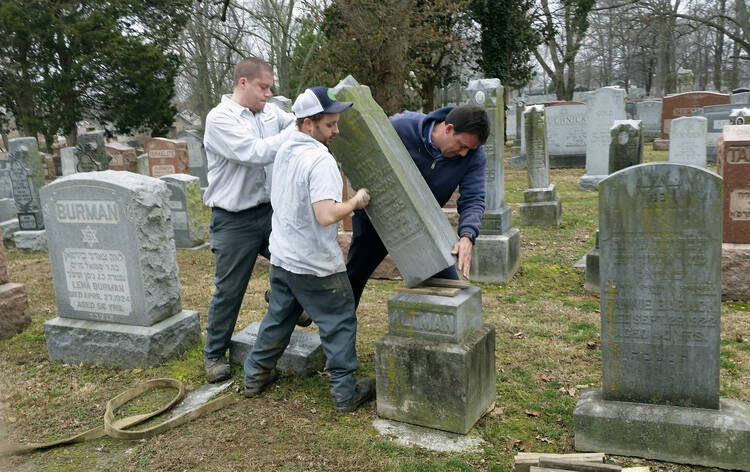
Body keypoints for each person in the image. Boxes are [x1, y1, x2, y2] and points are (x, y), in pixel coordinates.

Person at [243, 86, 375, 413]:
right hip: (315, 265)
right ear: (307, 124)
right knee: (340, 320)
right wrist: (356, 202)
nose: (336, 130)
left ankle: (255, 376)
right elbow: (327, 214)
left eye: (336, 123)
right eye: (329, 124)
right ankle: (345, 392)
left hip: (284, 257)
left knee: (279, 316)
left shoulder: (285, 149)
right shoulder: (320, 160)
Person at [201, 57, 309, 383]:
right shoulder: (220, 119)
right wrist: (295, 131)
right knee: (229, 290)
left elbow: (295, 121)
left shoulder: (271, 113)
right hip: (233, 219)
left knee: (296, 264)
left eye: (270, 86)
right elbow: (254, 153)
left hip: (269, 213)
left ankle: (283, 298)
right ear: (243, 83)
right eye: (263, 86)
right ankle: (214, 354)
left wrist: (306, 119)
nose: (268, 92)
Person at [346, 105, 489, 307]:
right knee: (354, 276)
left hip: (423, 227)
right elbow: (362, 159)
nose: (465, 154)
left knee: (451, 286)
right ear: (448, 129)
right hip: (377, 217)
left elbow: (474, 197)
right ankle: (330, 325)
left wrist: (467, 235)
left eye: (470, 149)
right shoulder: (401, 128)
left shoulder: (474, 156)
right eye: (462, 145)